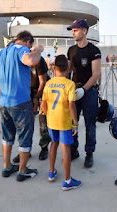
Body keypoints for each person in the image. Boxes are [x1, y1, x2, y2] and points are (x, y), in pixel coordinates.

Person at [0, 30, 43, 182]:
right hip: (21, 102)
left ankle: (7, 166)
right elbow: (31, 60)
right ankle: (22, 171)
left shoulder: (2, 52)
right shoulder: (22, 49)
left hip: (4, 102)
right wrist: (38, 50)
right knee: (24, 137)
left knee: (7, 136)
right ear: (28, 41)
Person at [41, 54, 81, 190]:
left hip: (51, 121)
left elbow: (43, 104)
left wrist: (49, 116)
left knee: (54, 144)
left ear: (54, 67)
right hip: (64, 122)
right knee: (66, 149)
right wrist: (75, 122)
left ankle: (51, 172)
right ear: (67, 68)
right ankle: (67, 180)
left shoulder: (48, 83)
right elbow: (71, 105)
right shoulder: (70, 84)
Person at [67, 18, 101, 168]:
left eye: (75, 30)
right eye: (72, 30)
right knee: (72, 122)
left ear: (84, 31)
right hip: (73, 91)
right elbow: (67, 71)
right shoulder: (71, 50)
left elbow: (96, 74)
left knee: (90, 124)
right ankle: (73, 150)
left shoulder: (94, 51)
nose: (73, 33)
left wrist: (84, 89)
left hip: (89, 92)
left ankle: (89, 153)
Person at [12, 55, 51, 163]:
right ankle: (25, 151)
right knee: (25, 123)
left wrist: (37, 98)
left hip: (43, 92)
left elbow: (43, 82)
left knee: (43, 123)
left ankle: (44, 147)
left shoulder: (38, 59)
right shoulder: (17, 60)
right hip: (27, 93)